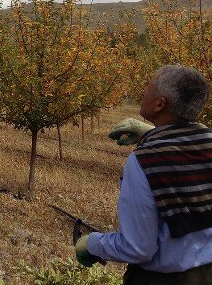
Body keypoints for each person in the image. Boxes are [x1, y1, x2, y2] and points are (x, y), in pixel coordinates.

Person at [76, 65, 212, 284]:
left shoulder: (144, 161)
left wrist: (91, 243)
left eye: (149, 88)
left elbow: (137, 248)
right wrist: (152, 133)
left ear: (160, 104)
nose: (143, 93)